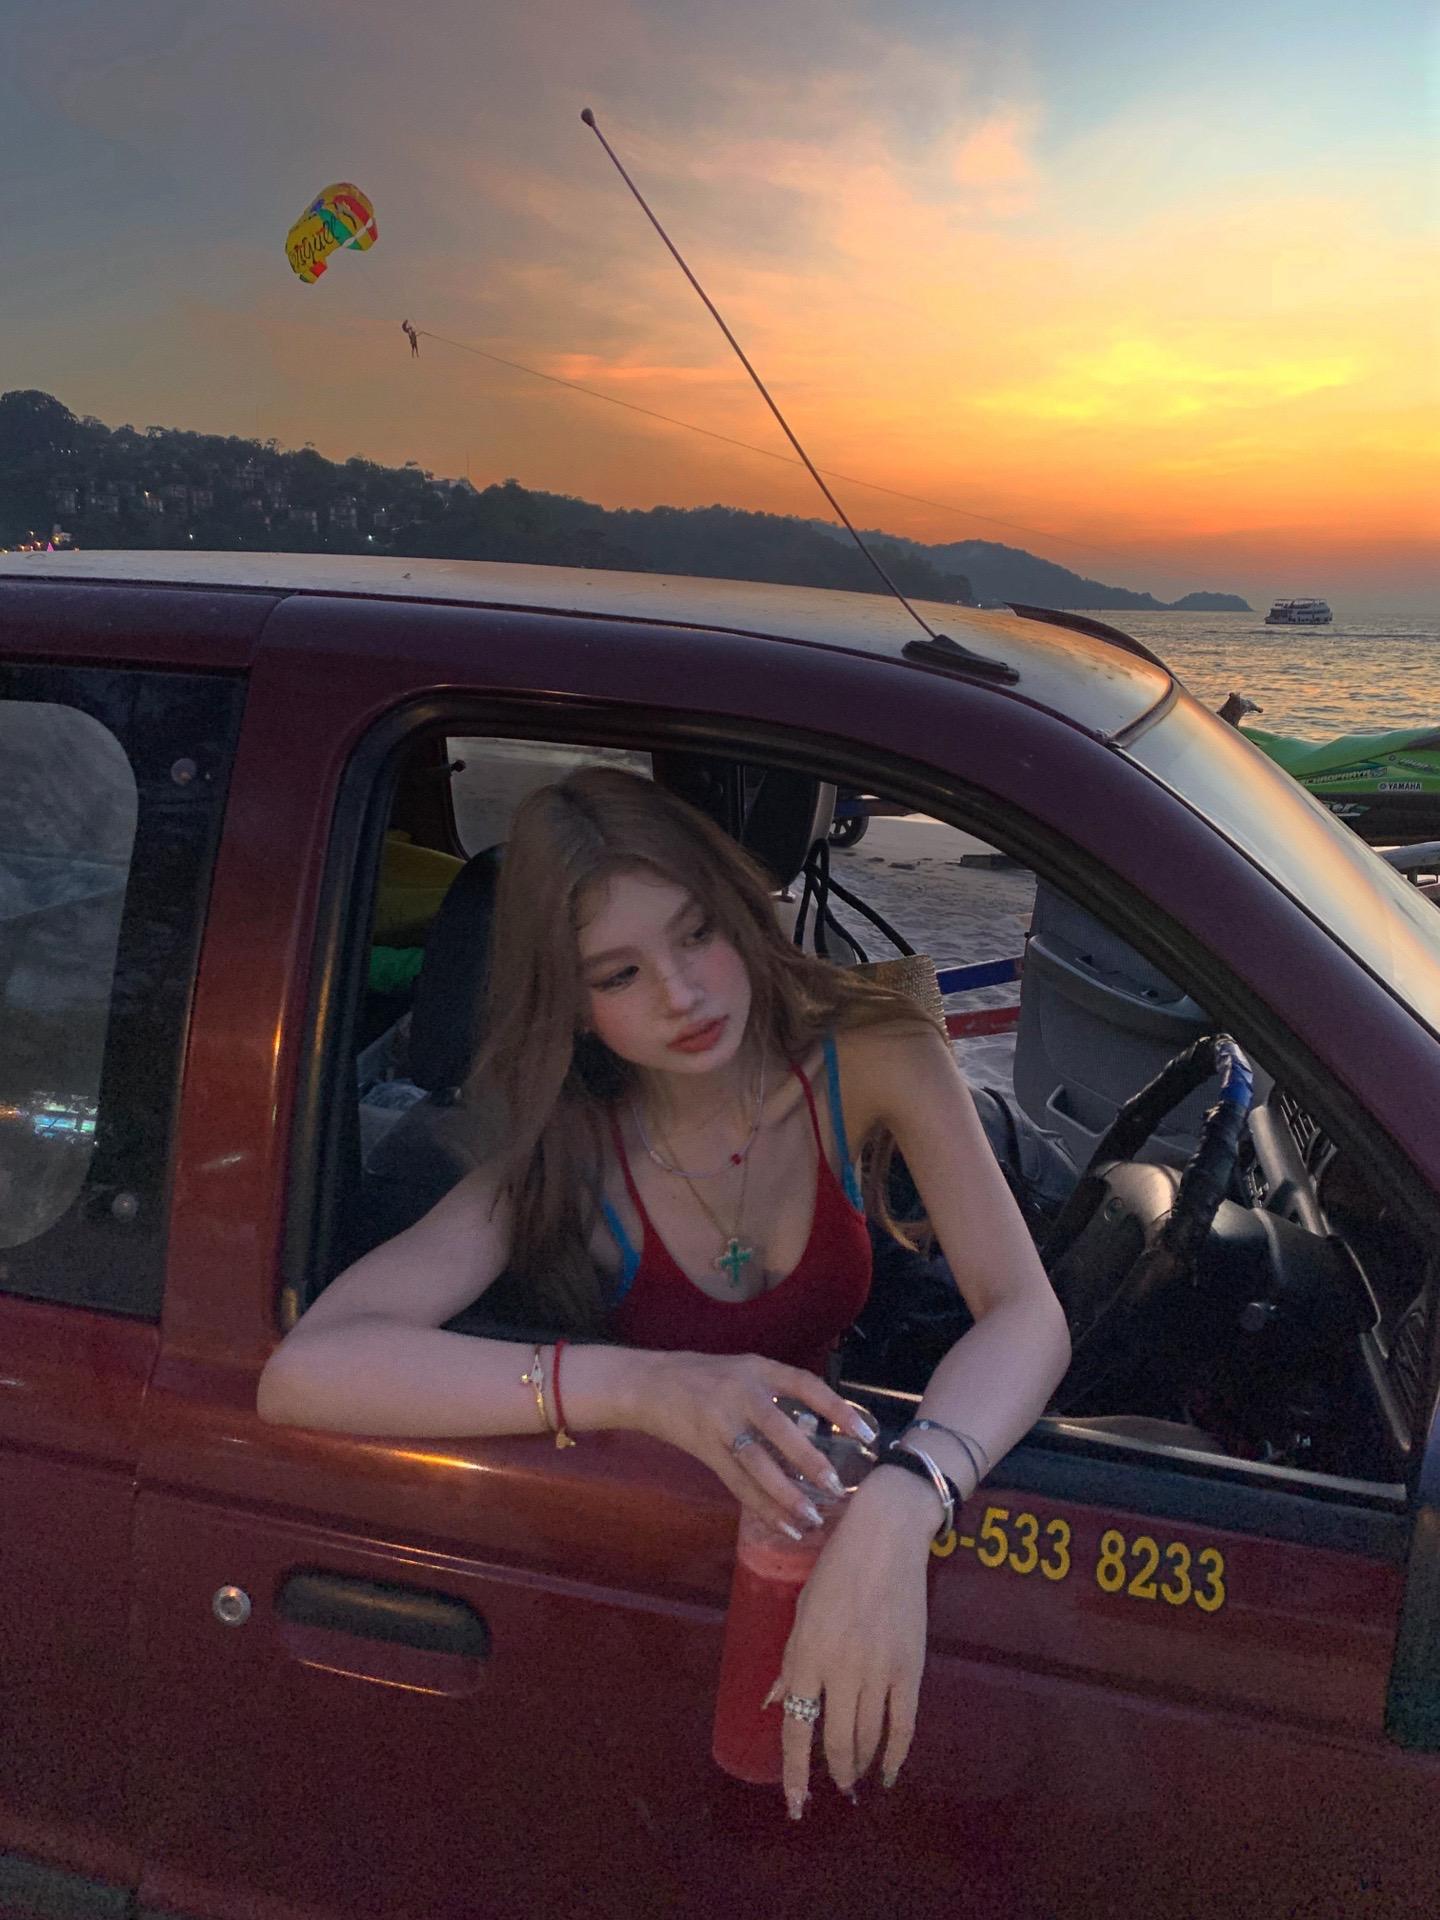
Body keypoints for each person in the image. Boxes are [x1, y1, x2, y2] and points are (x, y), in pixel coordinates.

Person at [258, 767, 1070, 1818]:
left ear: (741, 910)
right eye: (621, 973)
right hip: (641, 1565)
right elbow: (308, 1369)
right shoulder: (566, 1160)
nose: (681, 994)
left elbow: (1024, 1311)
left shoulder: (875, 1053)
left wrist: (908, 1499)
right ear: (574, 1005)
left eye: (696, 935)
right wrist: (643, 1388)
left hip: (818, 1516)